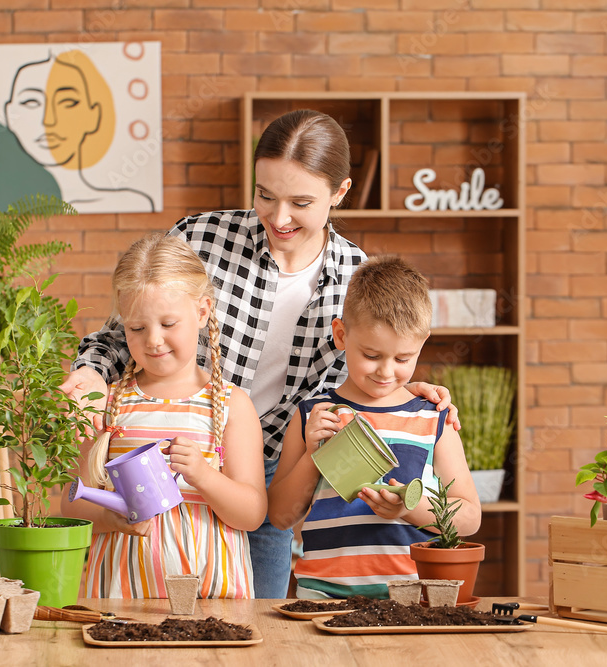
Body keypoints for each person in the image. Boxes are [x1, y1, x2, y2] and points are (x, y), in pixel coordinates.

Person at [60, 108, 458, 599]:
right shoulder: (200, 238)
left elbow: (368, 362)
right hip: (188, 438)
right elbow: (126, 331)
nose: (279, 217)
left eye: (301, 201)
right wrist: (93, 376)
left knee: (252, 614)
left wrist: (407, 389)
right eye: (265, 195)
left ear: (340, 193)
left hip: (274, 462)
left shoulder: (356, 274)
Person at [59, 234, 266, 598]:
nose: (153, 340)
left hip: (212, 595)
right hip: (124, 594)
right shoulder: (108, 404)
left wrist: (202, 475)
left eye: (168, 324)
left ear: (202, 312)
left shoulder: (231, 405)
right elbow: (72, 503)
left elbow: (251, 515)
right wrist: (111, 519)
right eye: (137, 328)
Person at [267, 255, 481, 598]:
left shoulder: (433, 418)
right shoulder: (313, 416)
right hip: (323, 597)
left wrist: (409, 507)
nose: (385, 372)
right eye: (371, 355)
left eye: (402, 359)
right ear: (341, 334)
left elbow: (469, 517)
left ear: (422, 343)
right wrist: (312, 455)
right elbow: (279, 517)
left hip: (413, 599)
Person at [0, 49, 155, 213]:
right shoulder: (11, 210)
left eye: (68, 102)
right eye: (31, 102)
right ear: (9, 113)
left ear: (93, 115)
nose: (49, 120)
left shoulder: (134, 201)